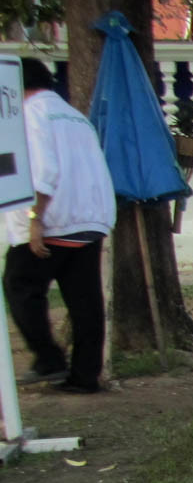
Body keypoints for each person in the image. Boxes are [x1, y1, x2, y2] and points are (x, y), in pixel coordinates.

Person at [2, 58, 115, 393]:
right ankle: (85, 376)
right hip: (90, 217)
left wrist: (35, 219)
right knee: (85, 302)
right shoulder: (74, 116)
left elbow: (44, 170)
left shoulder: (29, 115)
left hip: (53, 219)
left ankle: (49, 358)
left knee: (20, 284)